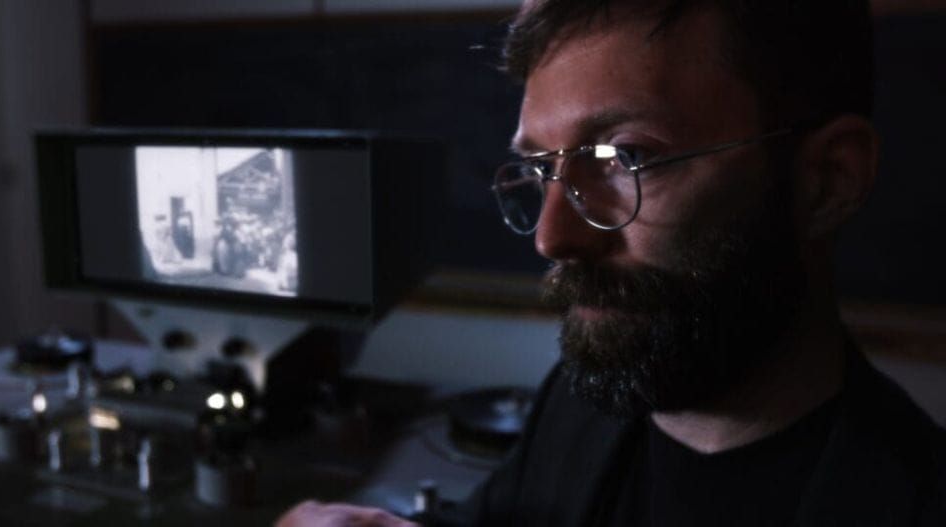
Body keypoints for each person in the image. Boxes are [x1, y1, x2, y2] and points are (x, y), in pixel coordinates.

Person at [277, 0, 946, 525]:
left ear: (827, 180)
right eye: (542, 168)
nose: (552, 236)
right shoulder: (579, 402)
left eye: (626, 158)